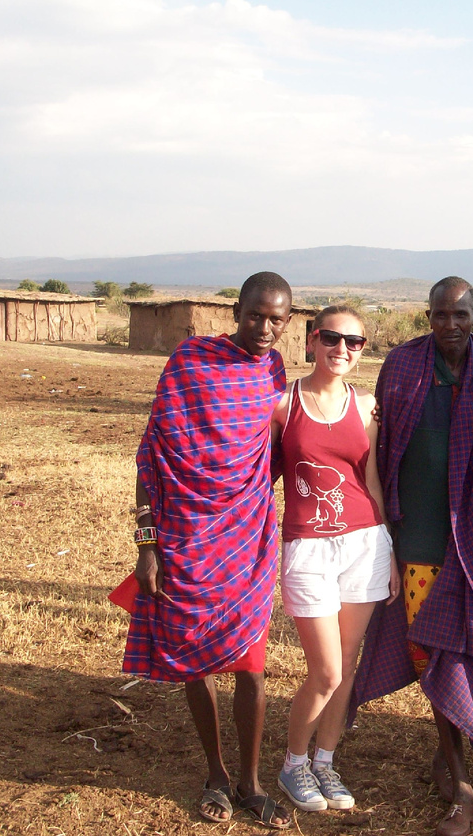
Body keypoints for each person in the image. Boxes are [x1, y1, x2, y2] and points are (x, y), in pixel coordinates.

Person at [351, 277, 473, 836]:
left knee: (467, 650)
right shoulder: (402, 366)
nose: (451, 325)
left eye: (462, 314)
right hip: (420, 535)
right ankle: (460, 784)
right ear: (427, 316)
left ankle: (451, 753)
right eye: (440, 315)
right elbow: (380, 447)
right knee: (433, 649)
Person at [123, 271, 293, 827]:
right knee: (196, 662)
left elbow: (270, 453)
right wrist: (148, 545)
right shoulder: (189, 363)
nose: (265, 328)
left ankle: (250, 781)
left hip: (246, 536)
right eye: (255, 316)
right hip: (186, 537)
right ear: (235, 312)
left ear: (289, 322)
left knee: (251, 664)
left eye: (277, 320)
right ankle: (216, 773)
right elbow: (152, 455)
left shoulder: (274, 371)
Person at [273, 306, 400, 815]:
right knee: (324, 671)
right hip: (307, 546)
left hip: (365, 544)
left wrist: (389, 547)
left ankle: (325, 760)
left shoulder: (365, 406)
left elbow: (370, 481)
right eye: (331, 338)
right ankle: (293, 764)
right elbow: (258, 476)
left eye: (355, 342)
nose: (342, 349)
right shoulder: (283, 404)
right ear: (311, 341)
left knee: (346, 666)